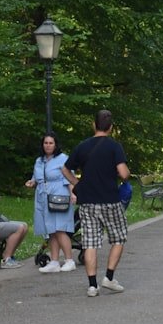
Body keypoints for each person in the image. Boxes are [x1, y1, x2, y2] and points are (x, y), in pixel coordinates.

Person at [61, 109, 131, 296]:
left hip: (88, 202)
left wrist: (78, 184)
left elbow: (65, 169)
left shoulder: (82, 146)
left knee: (90, 242)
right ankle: (108, 277)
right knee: (119, 237)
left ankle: (92, 285)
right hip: (110, 200)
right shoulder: (114, 147)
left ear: (94, 125)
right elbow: (124, 174)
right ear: (111, 128)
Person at [25, 133, 76, 273]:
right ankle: (54, 261)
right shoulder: (39, 160)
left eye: (51, 143)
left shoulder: (63, 159)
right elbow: (36, 177)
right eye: (45, 143)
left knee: (59, 229)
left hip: (59, 194)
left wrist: (72, 193)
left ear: (56, 144)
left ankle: (69, 260)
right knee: (51, 231)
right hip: (42, 196)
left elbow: (70, 177)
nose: (48, 145)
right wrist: (32, 182)